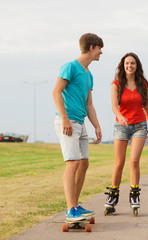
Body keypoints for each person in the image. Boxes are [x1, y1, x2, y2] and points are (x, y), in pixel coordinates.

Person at [52, 33, 103, 221]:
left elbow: (89, 104)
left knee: (84, 163)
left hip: (80, 123)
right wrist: (65, 118)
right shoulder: (70, 67)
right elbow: (56, 92)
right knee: (72, 163)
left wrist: (96, 125)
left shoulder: (89, 74)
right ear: (91, 48)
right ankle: (70, 209)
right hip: (68, 122)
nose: (101, 52)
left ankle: (75, 205)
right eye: (99, 48)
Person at [105, 53, 148, 214]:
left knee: (134, 160)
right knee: (119, 162)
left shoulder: (143, 83)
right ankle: (113, 194)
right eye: (127, 63)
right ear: (123, 65)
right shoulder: (116, 84)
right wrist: (120, 117)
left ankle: (134, 194)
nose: (129, 66)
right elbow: (114, 107)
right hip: (122, 126)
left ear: (136, 66)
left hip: (139, 125)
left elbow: (146, 105)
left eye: (132, 63)